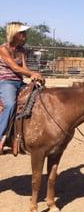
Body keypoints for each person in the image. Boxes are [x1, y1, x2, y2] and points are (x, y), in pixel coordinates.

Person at [0, 22, 45, 150]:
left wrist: (33, 77)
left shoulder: (21, 50)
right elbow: (15, 67)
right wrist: (32, 73)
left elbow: (23, 68)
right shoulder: (3, 49)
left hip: (19, 82)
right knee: (10, 104)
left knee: (39, 96)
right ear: (14, 34)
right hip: (6, 82)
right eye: (22, 32)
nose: (25, 35)